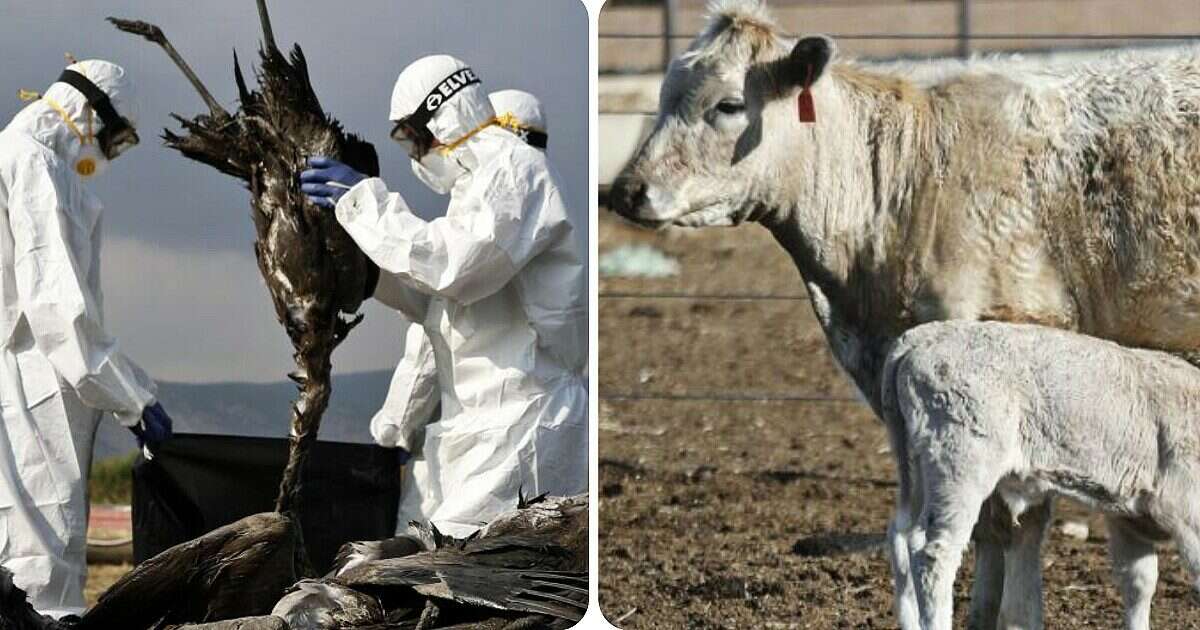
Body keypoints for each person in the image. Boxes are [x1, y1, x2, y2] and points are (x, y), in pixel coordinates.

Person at [300, 56, 586, 536]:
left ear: (441, 113)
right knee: (417, 556)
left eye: (413, 136)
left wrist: (365, 201)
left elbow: (456, 267)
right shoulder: (476, 185)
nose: (414, 153)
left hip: (523, 421)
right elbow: (445, 311)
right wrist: (372, 279)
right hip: (472, 429)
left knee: (451, 571)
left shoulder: (515, 170)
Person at [0, 60, 173, 617]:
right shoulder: (32, 161)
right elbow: (57, 308)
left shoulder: (34, 159)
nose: (107, 154)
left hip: (36, 376)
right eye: (113, 138)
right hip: (31, 386)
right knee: (40, 563)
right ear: (86, 112)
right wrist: (133, 399)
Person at [368, 88, 553, 468]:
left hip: (485, 446)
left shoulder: (495, 211)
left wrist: (392, 433)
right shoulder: (551, 209)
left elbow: (432, 340)